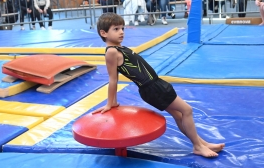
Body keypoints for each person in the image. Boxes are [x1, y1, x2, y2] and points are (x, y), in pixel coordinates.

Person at [93, 12, 225, 158]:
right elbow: (113, 79)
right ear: (103, 33)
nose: (122, 32)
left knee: (178, 114)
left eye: (122, 28)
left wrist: (114, 102)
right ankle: (198, 146)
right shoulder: (111, 52)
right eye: (116, 29)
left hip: (155, 86)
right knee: (187, 110)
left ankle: (201, 143)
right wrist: (109, 104)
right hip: (152, 88)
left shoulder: (119, 48)